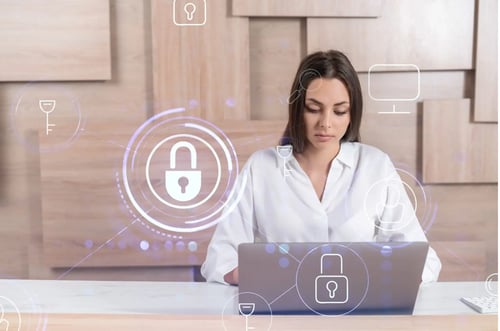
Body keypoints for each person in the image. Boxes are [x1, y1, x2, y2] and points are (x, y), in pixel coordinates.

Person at [201, 50, 441, 285]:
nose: (326, 123)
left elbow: (424, 262)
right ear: (297, 109)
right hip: (283, 313)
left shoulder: (375, 166)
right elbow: (219, 259)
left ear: (352, 113)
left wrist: (384, 276)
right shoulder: (261, 168)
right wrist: (253, 274)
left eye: (339, 111)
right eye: (313, 109)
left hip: (357, 314)